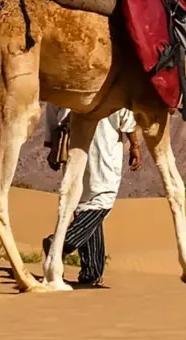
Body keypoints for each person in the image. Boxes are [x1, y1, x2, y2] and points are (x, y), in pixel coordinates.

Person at [45, 107, 141, 287]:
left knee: (84, 205)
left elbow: (52, 110)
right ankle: (62, 243)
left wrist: (52, 146)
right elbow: (126, 116)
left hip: (73, 150)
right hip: (103, 151)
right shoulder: (112, 88)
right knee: (102, 201)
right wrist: (134, 145)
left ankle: (92, 272)